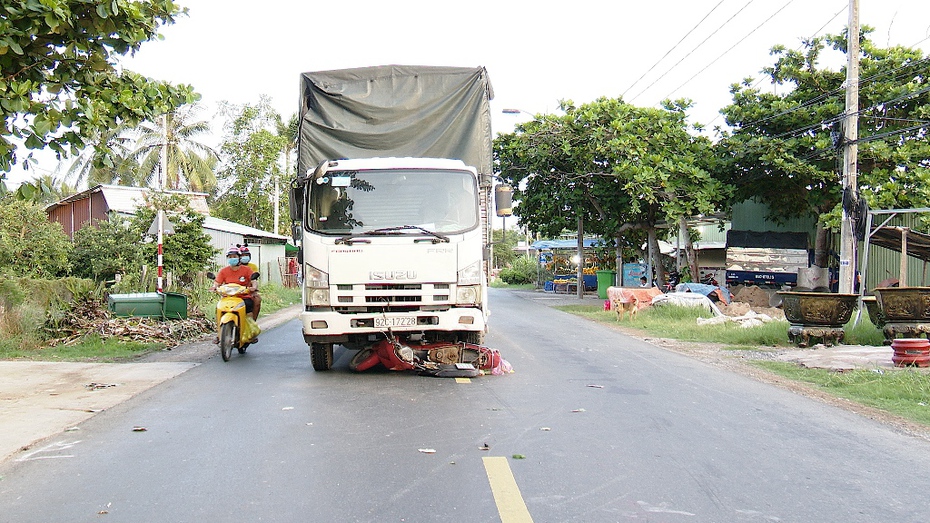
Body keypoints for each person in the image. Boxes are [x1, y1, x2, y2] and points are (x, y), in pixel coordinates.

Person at [212, 245, 258, 321]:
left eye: (234, 256)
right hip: (227, 297)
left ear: (239, 257)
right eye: (230, 257)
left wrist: (253, 287)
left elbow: (253, 281)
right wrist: (214, 287)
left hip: (243, 296)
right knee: (219, 308)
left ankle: (250, 324)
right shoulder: (223, 271)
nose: (232, 258)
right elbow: (217, 282)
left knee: (249, 306)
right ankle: (219, 328)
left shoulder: (247, 270)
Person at [237, 244, 262, 320]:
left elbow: (254, 280)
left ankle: (252, 322)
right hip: (235, 291)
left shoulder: (252, 267)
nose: (244, 257)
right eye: (243, 255)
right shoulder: (233, 267)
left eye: (246, 255)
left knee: (257, 300)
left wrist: (253, 288)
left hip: (248, 291)